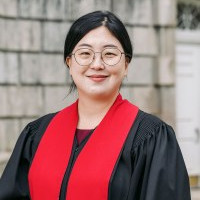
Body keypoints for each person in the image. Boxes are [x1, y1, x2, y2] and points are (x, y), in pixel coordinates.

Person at [0, 11, 191, 200]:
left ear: (126, 65)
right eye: (85, 53)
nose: (97, 64)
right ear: (69, 63)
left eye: (109, 54)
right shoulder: (37, 134)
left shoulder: (151, 137)